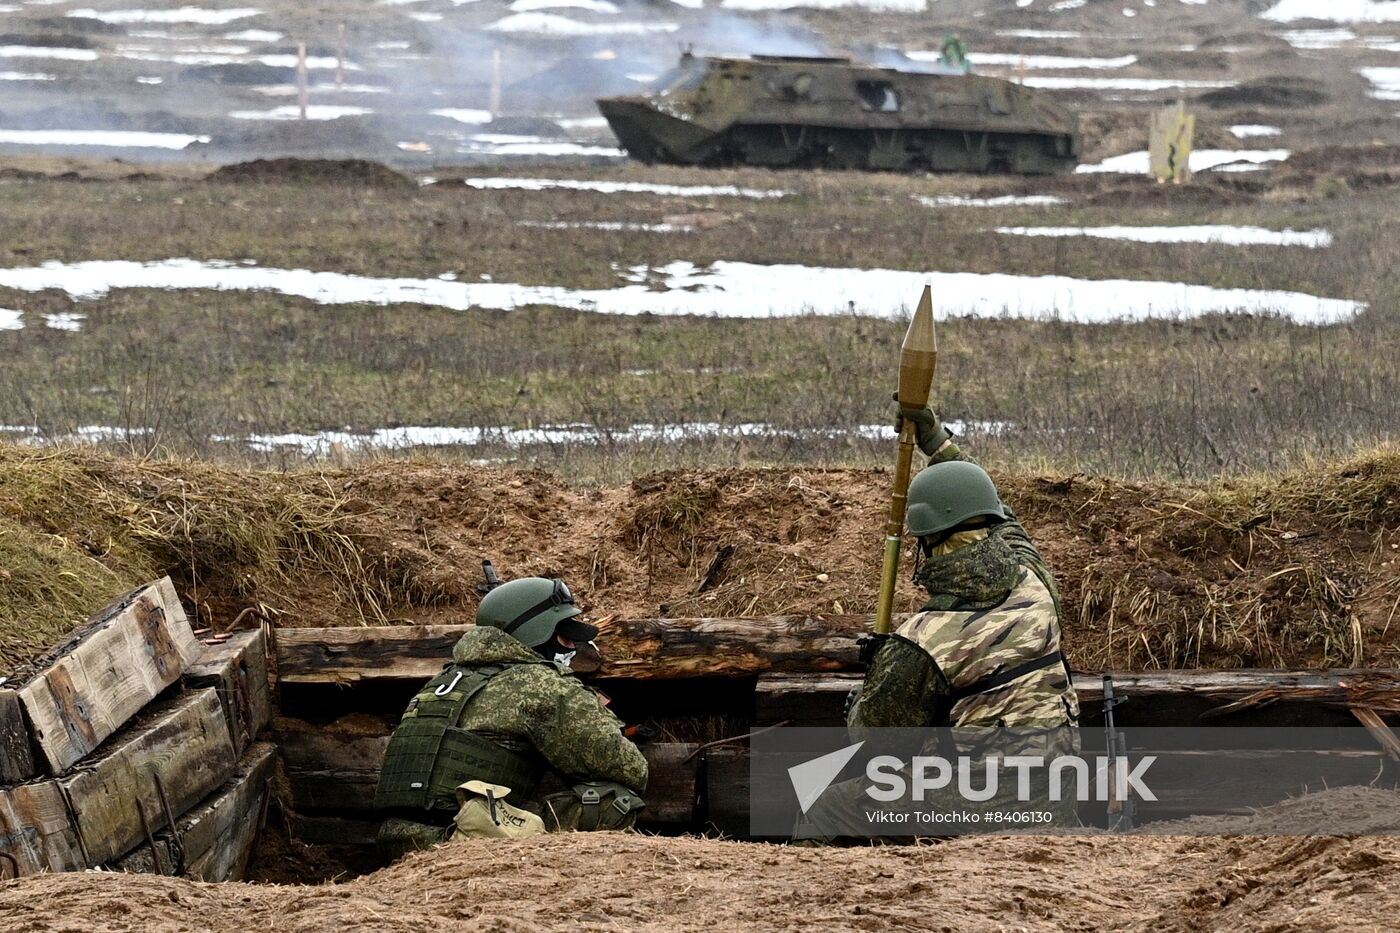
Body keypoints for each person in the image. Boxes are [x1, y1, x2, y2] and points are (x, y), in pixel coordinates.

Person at [797, 411, 1078, 839]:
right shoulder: (1034, 578)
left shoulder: (924, 638)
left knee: (820, 807)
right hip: (1056, 794)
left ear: (927, 539)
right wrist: (936, 441)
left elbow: (879, 742)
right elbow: (993, 506)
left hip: (978, 808)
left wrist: (871, 689)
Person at [374, 576, 648, 858]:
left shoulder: (444, 680)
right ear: (537, 633)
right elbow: (629, 768)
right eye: (564, 637)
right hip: (464, 842)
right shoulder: (539, 682)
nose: (572, 649)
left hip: (395, 839)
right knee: (615, 802)